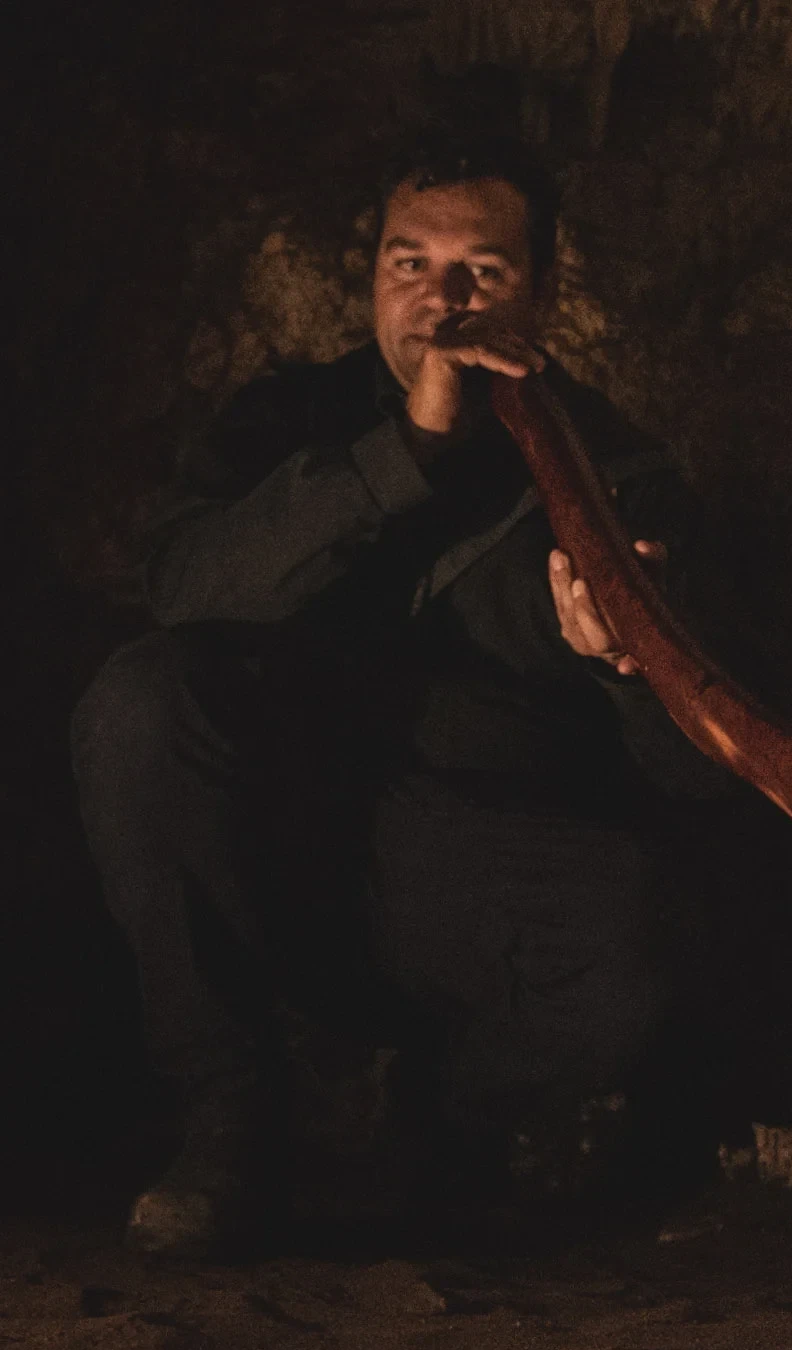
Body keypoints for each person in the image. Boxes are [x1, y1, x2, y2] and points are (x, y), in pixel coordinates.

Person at [71, 131, 729, 1258]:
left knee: (642, 927)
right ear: (373, 274)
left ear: (543, 290)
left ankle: (448, 1130)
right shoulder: (285, 420)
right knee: (139, 701)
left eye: (483, 270)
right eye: (409, 263)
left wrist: (627, 666)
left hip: (463, 881)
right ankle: (229, 1125)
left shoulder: (618, 473)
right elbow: (186, 591)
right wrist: (405, 450)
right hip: (280, 844)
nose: (442, 300)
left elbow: (696, 774)